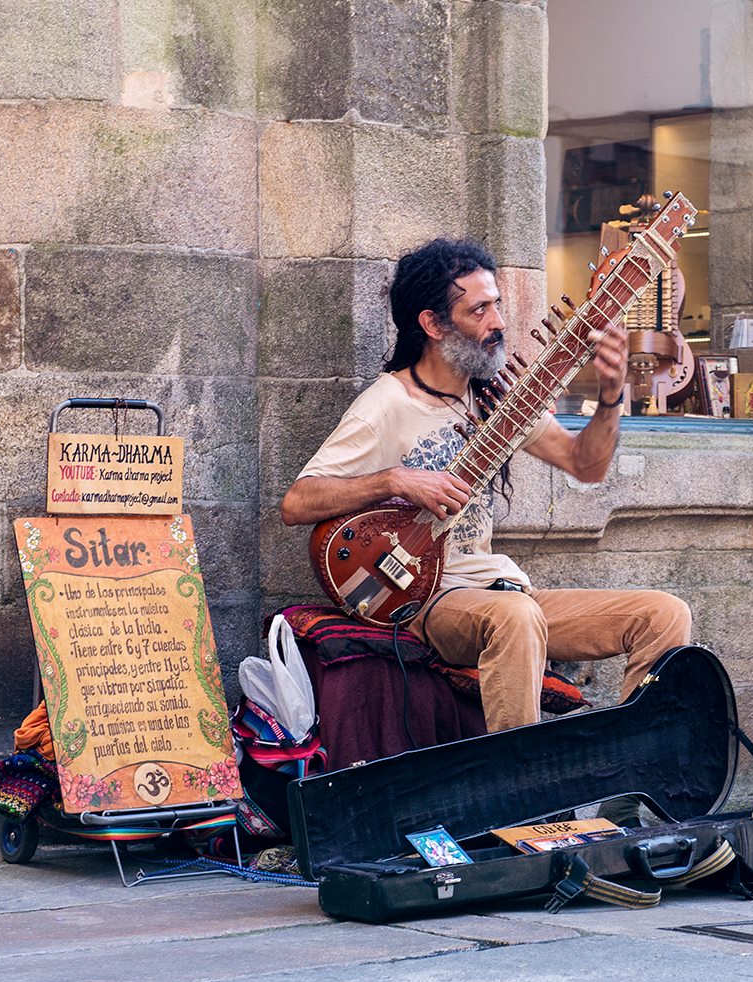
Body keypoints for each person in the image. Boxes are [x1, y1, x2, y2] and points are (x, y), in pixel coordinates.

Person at [281, 238, 692, 735]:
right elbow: (297, 502)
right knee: (514, 617)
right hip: (426, 598)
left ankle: (631, 775)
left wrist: (609, 398)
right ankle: (520, 795)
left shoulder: (496, 400)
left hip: (502, 587)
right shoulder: (387, 403)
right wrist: (394, 479)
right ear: (433, 325)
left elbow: (585, 464)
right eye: (479, 309)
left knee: (664, 615)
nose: (498, 321)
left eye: (497, 304)